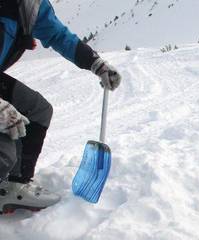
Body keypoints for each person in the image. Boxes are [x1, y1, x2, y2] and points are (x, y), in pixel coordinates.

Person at [0, 0, 121, 214]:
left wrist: (96, 63)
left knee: (36, 110)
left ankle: (14, 186)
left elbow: (56, 34)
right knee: (3, 153)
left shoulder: (30, 5)